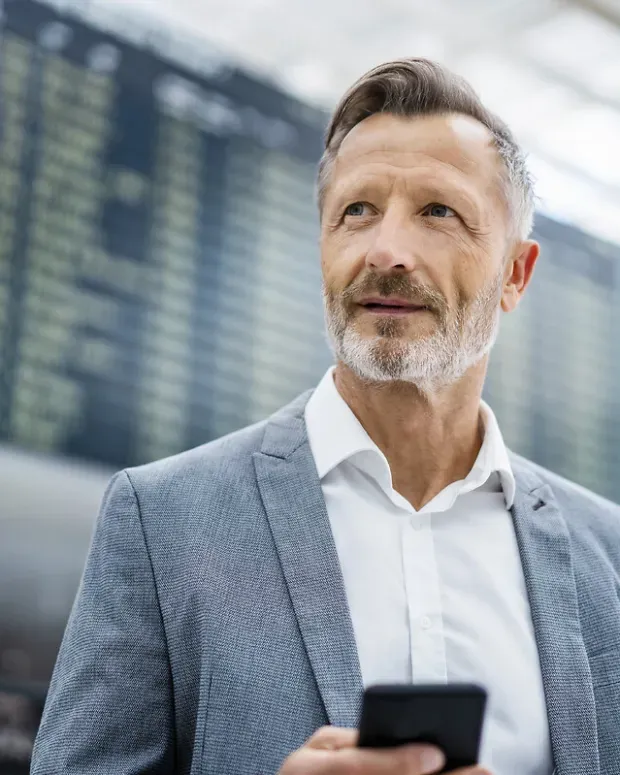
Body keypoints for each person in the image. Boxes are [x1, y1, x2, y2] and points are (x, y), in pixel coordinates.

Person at [31, 59, 620, 775]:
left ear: (516, 275)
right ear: (323, 248)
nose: (386, 251)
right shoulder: (162, 522)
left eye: (439, 212)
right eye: (357, 211)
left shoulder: (609, 556)